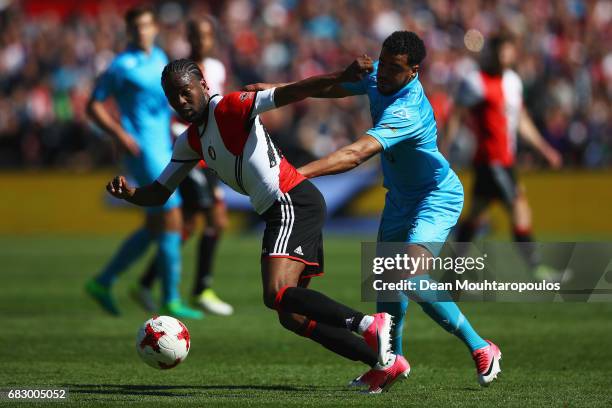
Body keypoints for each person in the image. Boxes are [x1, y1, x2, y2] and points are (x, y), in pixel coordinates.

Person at [105, 58, 403, 393]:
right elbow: (160, 192)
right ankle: (385, 363)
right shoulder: (190, 141)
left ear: (203, 85)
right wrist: (131, 193)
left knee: (275, 293)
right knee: (292, 315)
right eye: (173, 98)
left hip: (290, 200)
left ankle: (369, 324)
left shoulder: (232, 106)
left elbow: (294, 91)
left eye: (186, 93)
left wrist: (342, 76)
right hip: (283, 207)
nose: (181, 102)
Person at [246, 31, 501, 389]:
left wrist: (295, 174)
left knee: (408, 276)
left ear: (413, 71)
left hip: (435, 197)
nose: (382, 75)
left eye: (394, 69)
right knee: (387, 287)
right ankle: (390, 363)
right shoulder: (381, 72)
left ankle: (482, 346)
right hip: (399, 198)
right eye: (383, 63)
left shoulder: (407, 109)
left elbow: (355, 154)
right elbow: (338, 88)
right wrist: (278, 90)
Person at [84, 6, 202, 319]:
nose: (143, 32)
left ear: (154, 28)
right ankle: (171, 299)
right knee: (172, 214)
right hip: (141, 150)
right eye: (137, 27)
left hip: (163, 145)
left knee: (154, 225)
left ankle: (103, 280)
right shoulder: (121, 66)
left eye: (147, 26)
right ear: (129, 31)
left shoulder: (161, 58)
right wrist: (119, 134)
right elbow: (93, 105)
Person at [440, 34, 562, 281]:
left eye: (507, 51)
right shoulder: (476, 82)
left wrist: (544, 148)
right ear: (492, 54)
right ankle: (536, 268)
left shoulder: (514, 82)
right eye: (499, 52)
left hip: (506, 161)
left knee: (476, 214)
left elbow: (521, 121)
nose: (503, 56)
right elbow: (456, 114)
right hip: (491, 161)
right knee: (519, 205)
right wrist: (443, 148)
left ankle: (452, 270)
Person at [134, 16, 233, 316]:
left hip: (211, 151)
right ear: (189, 37)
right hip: (190, 149)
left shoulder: (216, 68)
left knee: (189, 223)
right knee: (216, 218)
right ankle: (201, 288)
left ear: (212, 38)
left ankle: (147, 281)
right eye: (196, 35)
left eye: (206, 35)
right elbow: (173, 113)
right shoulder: (178, 70)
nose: (202, 40)